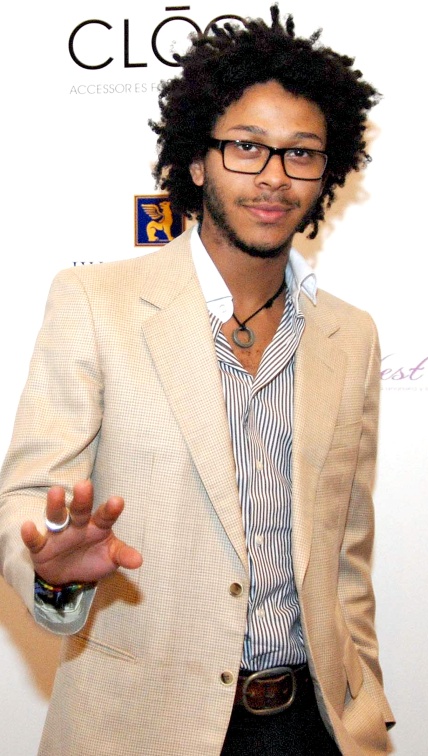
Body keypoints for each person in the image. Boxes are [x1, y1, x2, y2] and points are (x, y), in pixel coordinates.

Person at [0, 6, 394, 755]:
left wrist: (364, 700)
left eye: (301, 153)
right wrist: (53, 572)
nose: (274, 176)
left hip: (311, 727)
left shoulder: (352, 336)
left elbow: (346, 556)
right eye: (246, 146)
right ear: (196, 160)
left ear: (327, 171)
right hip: (141, 727)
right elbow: (26, 497)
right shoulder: (97, 304)